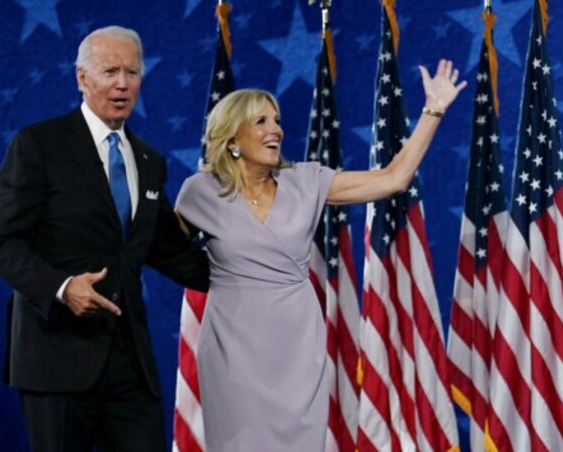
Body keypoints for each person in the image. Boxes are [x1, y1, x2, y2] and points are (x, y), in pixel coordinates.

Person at [174, 59, 466, 451]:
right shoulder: (200, 192)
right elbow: (161, 248)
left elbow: (393, 179)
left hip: (296, 344)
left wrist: (434, 110)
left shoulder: (306, 181)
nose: (275, 129)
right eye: (260, 121)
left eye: (276, 121)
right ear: (231, 139)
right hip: (231, 348)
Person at [0, 25, 209, 451]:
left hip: (130, 362)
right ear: (82, 79)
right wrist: (63, 288)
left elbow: (167, 250)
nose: (123, 83)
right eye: (109, 71)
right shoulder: (39, 145)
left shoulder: (149, 160)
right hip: (58, 357)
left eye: (132, 71)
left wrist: (253, 271)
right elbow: (3, 243)